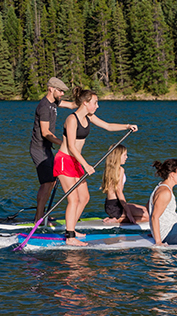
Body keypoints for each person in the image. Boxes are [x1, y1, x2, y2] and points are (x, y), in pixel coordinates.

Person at [53, 88, 138, 246]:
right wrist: (86, 165)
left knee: (84, 197)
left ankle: (71, 228)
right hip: (64, 160)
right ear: (85, 103)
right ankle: (70, 237)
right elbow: (71, 146)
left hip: (76, 161)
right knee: (73, 199)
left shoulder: (88, 116)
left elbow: (107, 126)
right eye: (95, 103)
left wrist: (127, 126)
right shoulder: (72, 119)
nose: (97, 106)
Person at [30, 76, 73, 221]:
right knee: (47, 182)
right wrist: (63, 143)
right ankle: (39, 217)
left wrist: (85, 102)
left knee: (52, 180)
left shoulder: (54, 102)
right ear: (51, 89)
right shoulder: (43, 106)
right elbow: (45, 132)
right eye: (60, 91)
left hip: (46, 149)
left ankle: (42, 214)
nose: (62, 94)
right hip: (39, 149)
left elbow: (72, 105)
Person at [101, 144, 149, 225]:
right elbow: (119, 192)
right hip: (116, 206)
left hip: (109, 205)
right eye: (124, 155)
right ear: (118, 156)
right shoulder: (120, 170)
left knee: (144, 209)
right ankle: (119, 219)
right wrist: (129, 213)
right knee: (147, 216)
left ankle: (116, 216)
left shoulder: (109, 169)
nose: (126, 157)